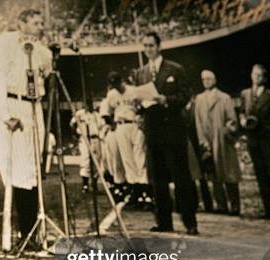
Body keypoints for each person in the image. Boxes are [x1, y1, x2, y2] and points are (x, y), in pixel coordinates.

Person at [0, 9, 52, 242]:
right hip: (10, 104)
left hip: (34, 107)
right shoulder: (7, 41)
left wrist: (42, 47)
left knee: (34, 169)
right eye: (35, 23)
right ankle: (23, 231)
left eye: (41, 23)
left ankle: (32, 230)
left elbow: (47, 68)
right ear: (21, 23)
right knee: (18, 171)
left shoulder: (38, 48)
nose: (40, 26)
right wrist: (6, 115)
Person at [134, 31, 198, 235]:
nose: (148, 50)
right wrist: (138, 106)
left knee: (181, 178)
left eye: (151, 45)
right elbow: (138, 100)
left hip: (173, 130)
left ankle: (190, 222)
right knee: (157, 179)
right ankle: (164, 222)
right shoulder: (141, 73)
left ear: (159, 46)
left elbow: (185, 95)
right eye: (145, 46)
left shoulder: (175, 69)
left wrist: (166, 100)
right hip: (153, 131)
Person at [240, 64, 270, 222]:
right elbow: (242, 111)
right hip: (253, 141)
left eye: (260, 75)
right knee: (261, 178)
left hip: (269, 140)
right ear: (251, 75)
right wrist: (242, 120)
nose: (256, 77)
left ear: (264, 78)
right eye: (254, 74)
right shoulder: (245, 94)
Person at [194, 70, 241, 215]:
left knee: (229, 174)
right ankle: (221, 204)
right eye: (203, 79)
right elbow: (198, 122)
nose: (206, 81)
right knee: (214, 174)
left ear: (214, 80)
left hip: (222, 140)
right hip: (208, 140)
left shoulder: (224, 98)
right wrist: (202, 140)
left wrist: (226, 132)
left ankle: (235, 206)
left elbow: (232, 120)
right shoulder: (199, 99)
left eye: (209, 78)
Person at [102, 71, 151, 208]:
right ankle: (136, 192)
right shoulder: (112, 94)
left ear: (122, 80)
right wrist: (112, 125)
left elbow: (145, 107)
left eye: (117, 82)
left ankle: (145, 193)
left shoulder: (133, 91)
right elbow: (107, 113)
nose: (115, 86)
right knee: (127, 159)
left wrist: (141, 119)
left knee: (139, 157)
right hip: (121, 126)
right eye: (113, 84)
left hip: (135, 125)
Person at [70, 98, 106, 192]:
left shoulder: (97, 115)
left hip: (95, 138)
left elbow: (102, 126)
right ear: (84, 104)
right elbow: (72, 124)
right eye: (86, 103)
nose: (88, 105)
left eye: (90, 103)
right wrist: (75, 135)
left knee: (97, 161)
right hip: (85, 138)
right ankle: (85, 185)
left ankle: (94, 184)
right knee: (85, 160)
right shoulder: (80, 114)